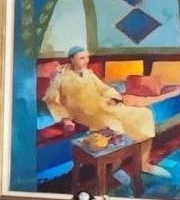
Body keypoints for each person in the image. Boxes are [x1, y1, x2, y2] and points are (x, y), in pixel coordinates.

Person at [44, 46, 163, 175]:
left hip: (102, 106)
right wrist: (66, 119)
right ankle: (115, 167)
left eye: (87, 57)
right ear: (72, 59)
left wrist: (114, 97)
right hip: (84, 113)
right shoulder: (60, 76)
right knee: (113, 125)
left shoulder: (87, 73)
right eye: (82, 58)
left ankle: (144, 164)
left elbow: (103, 88)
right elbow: (52, 100)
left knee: (144, 114)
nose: (86, 61)